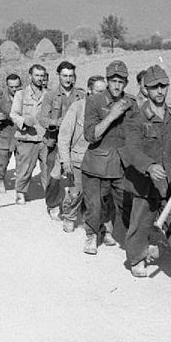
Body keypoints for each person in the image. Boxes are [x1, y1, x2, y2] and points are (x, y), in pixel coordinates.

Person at [123, 65, 171, 281]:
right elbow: (133, 150)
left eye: (163, 86)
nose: (160, 91)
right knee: (140, 223)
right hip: (145, 184)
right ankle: (136, 259)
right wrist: (149, 166)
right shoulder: (136, 118)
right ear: (146, 89)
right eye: (154, 87)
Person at [82, 60, 137, 255]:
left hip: (121, 165)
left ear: (126, 83)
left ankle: (124, 237)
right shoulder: (94, 101)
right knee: (94, 205)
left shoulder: (131, 103)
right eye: (113, 80)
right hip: (96, 164)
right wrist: (112, 115)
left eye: (121, 81)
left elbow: (136, 134)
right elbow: (90, 135)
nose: (116, 85)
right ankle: (91, 234)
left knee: (125, 204)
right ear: (107, 81)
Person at [57, 75, 108, 233]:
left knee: (98, 196)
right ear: (89, 90)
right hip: (79, 158)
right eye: (98, 91)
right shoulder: (78, 107)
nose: (102, 95)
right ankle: (69, 215)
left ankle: (94, 222)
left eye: (104, 91)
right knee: (76, 192)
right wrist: (65, 160)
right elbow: (64, 135)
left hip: (99, 160)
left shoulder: (108, 110)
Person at [38, 61, 85, 219]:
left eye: (71, 76)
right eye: (65, 75)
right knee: (54, 176)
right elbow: (42, 118)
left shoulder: (80, 95)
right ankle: (52, 205)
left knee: (76, 176)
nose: (68, 79)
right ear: (59, 76)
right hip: (54, 142)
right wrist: (56, 122)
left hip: (75, 143)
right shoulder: (50, 95)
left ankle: (74, 207)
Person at [10, 64, 47, 205]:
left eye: (42, 75)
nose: (39, 78)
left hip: (44, 137)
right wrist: (24, 121)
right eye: (37, 75)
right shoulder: (21, 94)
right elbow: (13, 114)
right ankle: (20, 192)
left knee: (47, 168)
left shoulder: (48, 95)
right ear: (30, 76)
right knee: (24, 168)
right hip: (27, 137)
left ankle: (50, 195)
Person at [0, 73, 21, 194]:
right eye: (11, 87)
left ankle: (21, 187)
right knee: (1, 162)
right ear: (7, 86)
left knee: (22, 163)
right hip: (4, 136)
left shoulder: (24, 100)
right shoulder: (1, 101)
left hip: (20, 136)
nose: (14, 89)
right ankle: (0, 179)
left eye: (16, 86)